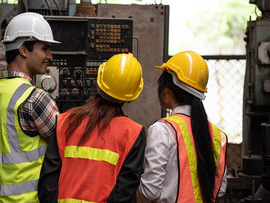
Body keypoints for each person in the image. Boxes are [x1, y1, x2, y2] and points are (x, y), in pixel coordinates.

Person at [0, 12, 60, 202]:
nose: (50, 56)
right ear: (23, 50)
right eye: (45, 48)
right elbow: (66, 145)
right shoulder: (35, 98)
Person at [38, 53, 146, 203]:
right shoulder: (133, 134)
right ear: (132, 96)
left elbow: (47, 186)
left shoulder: (65, 122)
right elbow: (123, 194)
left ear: (98, 82)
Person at [138, 51, 228, 203]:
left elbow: (150, 192)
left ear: (166, 91)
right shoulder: (219, 135)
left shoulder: (162, 130)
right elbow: (221, 189)